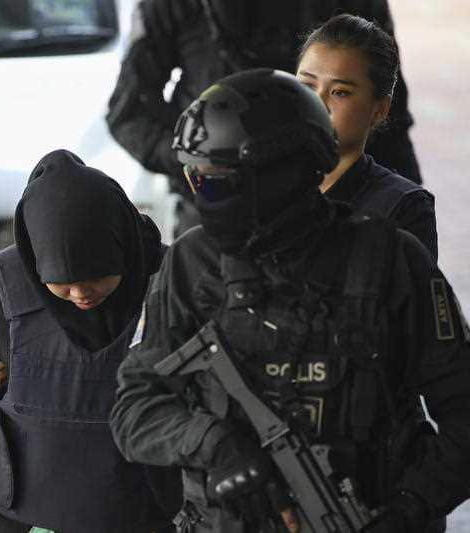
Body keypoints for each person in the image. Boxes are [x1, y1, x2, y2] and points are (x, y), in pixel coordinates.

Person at [110, 69, 470, 533]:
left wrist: (410, 507)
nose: (199, 196)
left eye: (214, 183)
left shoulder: (391, 262)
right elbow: (134, 407)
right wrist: (213, 443)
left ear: (280, 178)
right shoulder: (193, 265)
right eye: (193, 179)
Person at [0, 149, 172, 533]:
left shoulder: (171, 279)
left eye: (97, 276)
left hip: (147, 511)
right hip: (28, 515)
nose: (80, 294)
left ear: (122, 244)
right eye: (61, 284)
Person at [107, 0, 423, 235]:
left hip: (343, 208)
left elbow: (390, 112)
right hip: (221, 213)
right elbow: (129, 114)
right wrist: (206, 164)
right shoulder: (175, 6)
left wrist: (407, 211)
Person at [296, 13, 437, 260]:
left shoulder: (403, 208)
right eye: (306, 86)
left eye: (339, 92)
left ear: (379, 110)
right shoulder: (257, 184)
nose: (317, 103)